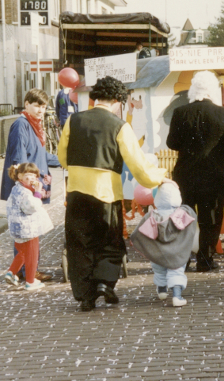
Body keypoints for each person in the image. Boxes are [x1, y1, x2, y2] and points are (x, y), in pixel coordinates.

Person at [58, 76, 168, 311]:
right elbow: (139, 167)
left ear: (96, 97)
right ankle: (105, 284)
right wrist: (160, 175)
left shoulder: (73, 121)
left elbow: (62, 158)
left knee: (80, 244)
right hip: (106, 194)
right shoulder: (120, 126)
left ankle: (85, 297)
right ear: (118, 100)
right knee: (109, 241)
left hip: (77, 192)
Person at [166, 71, 224, 272]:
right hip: (213, 173)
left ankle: (182, 259)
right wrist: (221, 157)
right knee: (210, 218)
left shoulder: (180, 112)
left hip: (185, 174)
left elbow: (171, 143)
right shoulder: (223, 113)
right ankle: (205, 259)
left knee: (183, 216)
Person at [0, 88, 60, 282]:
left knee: (27, 230)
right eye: (36, 105)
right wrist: (30, 184)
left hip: (31, 186)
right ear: (26, 104)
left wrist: (66, 160)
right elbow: (19, 159)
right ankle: (27, 273)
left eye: (43, 106)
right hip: (25, 189)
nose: (41, 110)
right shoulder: (22, 125)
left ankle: (21, 270)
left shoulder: (35, 126)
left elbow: (41, 155)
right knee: (26, 231)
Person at [130, 182, 197, 307]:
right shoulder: (183, 213)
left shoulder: (151, 216)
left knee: (159, 270)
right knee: (176, 272)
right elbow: (192, 217)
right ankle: (177, 296)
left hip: (158, 253)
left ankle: (162, 291)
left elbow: (138, 232)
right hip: (177, 253)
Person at [4, 162, 54, 291]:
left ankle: (11, 272)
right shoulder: (25, 192)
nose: (32, 178)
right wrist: (37, 193)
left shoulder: (17, 189)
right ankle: (30, 281)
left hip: (17, 227)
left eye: (34, 176)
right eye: (28, 175)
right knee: (32, 254)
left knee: (22, 253)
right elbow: (31, 207)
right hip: (28, 228)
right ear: (20, 176)